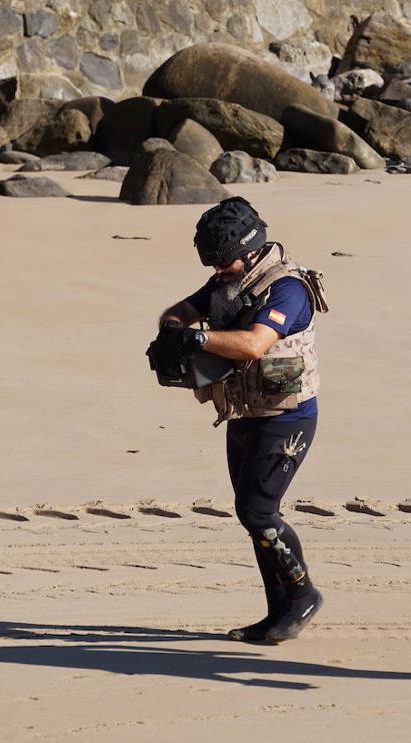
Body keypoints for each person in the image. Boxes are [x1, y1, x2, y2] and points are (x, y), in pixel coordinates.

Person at [147, 197, 327, 645]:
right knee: (254, 518)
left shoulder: (287, 289)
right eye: (211, 262)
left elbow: (252, 344)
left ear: (250, 249)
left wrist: (200, 337)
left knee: (258, 511)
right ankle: (276, 613)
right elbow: (179, 311)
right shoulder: (229, 279)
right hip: (242, 414)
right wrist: (172, 331)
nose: (217, 270)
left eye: (223, 261)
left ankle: (303, 596)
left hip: (287, 420)